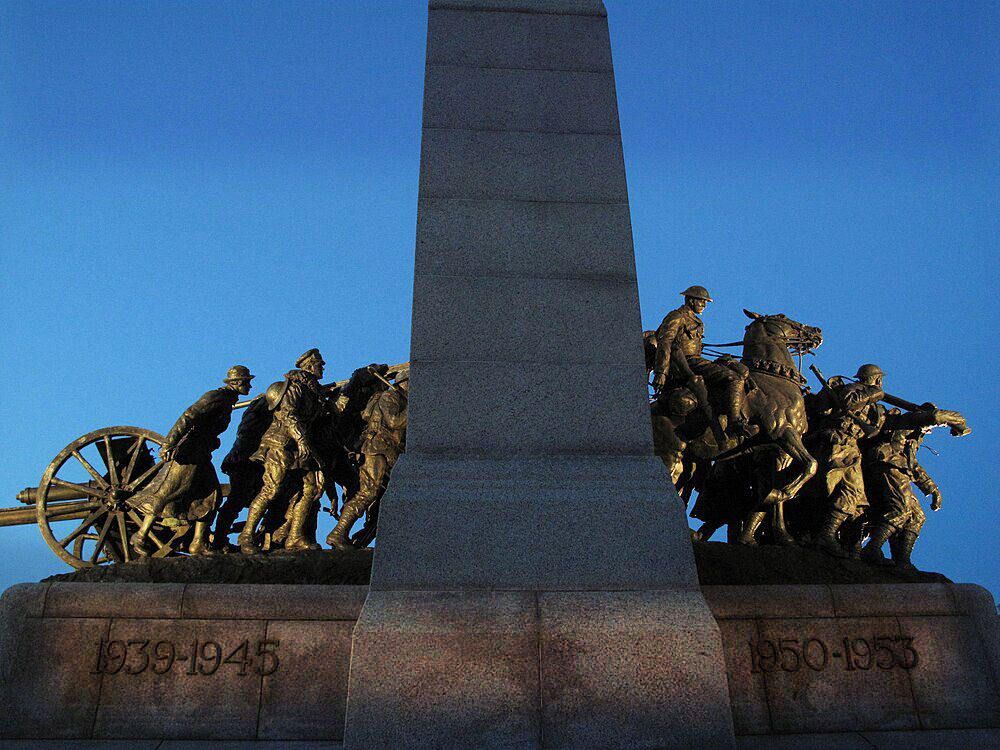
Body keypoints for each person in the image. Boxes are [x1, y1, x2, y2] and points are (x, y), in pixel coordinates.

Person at [130, 365, 254, 556]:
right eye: (247, 382)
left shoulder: (227, 401)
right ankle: (140, 536)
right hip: (188, 454)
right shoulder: (216, 397)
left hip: (201, 453)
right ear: (237, 383)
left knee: (212, 496)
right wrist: (169, 443)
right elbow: (188, 416)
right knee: (167, 492)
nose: (250, 387)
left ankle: (198, 544)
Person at [238, 349, 328, 554]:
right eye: (319, 364)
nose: (323, 367)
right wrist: (302, 441)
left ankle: (295, 536)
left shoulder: (313, 392)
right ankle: (246, 535)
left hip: (301, 448)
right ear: (309, 366)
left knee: (311, 490)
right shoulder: (295, 388)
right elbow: (289, 415)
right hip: (283, 445)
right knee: (272, 490)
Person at [651, 285, 750, 441]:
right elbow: (665, 343)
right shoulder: (677, 316)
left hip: (695, 360)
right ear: (691, 300)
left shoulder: (696, 320)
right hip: (686, 363)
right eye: (702, 302)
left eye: (705, 302)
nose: (704, 306)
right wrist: (661, 372)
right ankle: (734, 423)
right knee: (735, 378)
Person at [326, 367, 408, 551]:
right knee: (368, 492)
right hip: (376, 450)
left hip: (389, 453)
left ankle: (359, 541)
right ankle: (337, 533)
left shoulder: (402, 399)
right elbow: (394, 422)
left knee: (382, 499)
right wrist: (414, 411)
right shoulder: (391, 396)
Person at [809, 364, 886, 558]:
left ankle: (841, 540)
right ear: (876, 378)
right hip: (838, 443)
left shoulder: (875, 404)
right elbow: (848, 402)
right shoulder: (853, 390)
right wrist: (873, 393)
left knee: (857, 498)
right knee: (848, 490)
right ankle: (825, 535)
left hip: (851, 447)